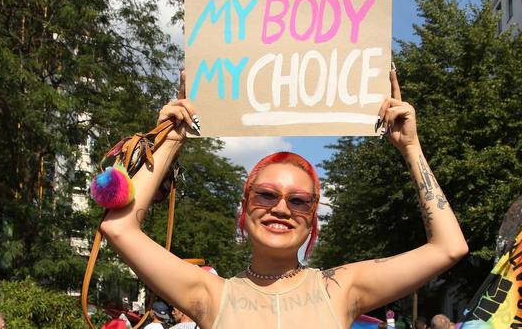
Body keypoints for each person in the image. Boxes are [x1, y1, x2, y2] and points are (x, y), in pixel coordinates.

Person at [100, 68, 468, 328]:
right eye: (266, 194)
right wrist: (172, 139)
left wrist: (410, 147)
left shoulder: (341, 288)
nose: (281, 208)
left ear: (312, 218)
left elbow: (448, 247)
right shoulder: (210, 294)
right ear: (244, 210)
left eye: (299, 201)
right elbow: (119, 229)